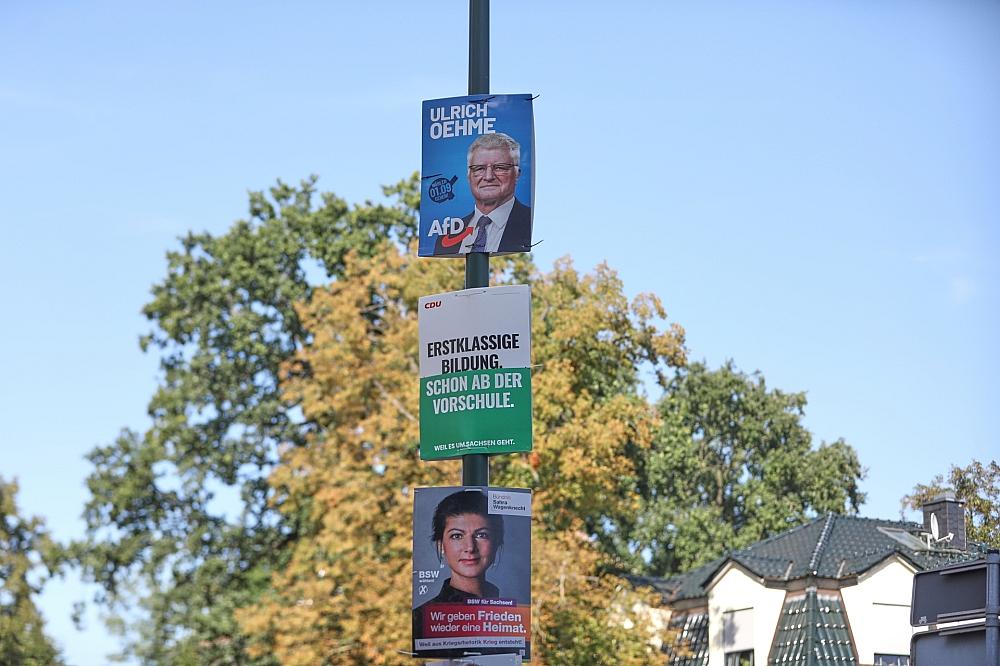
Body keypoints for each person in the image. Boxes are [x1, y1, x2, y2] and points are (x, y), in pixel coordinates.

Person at [413, 490, 506, 655]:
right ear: (441, 546)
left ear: (497, 542)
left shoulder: (511, 617)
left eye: (481, 535)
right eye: (456, 536)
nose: (470, 547)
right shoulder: (421, 620)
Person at [435, 132, 532, 255]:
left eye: (500, 167)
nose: (488, 176)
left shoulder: (529, 223)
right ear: (469, 176)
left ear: (517, 174)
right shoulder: (447, 234)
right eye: (479, 168)